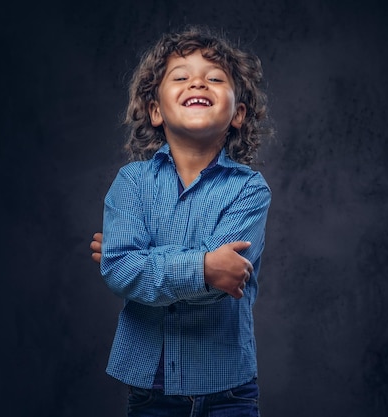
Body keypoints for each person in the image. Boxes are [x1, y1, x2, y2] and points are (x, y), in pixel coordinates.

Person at [90, 25, 272, 417]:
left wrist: (144, 257)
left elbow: (225, 283)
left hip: (229, 392)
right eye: (181, 76)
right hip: (149, 392)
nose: (198, 82)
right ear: (156, 111)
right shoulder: (131, 182)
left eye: (215, 78)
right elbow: (121, 270)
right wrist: (203, 265)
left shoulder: (250, 190)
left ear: (238, 114)